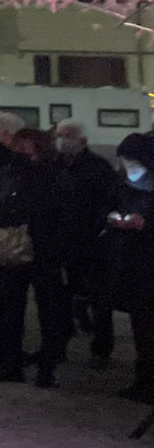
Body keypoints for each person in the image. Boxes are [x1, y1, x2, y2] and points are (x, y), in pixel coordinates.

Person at [0, 125, 73, 387]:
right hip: (15, 246)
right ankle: (11, 364)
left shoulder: (53, 173)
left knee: (48, 312)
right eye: (17, 145)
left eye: (26, 145)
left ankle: (46, 367)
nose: (20, 150)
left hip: (44, 250)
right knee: (11, 308)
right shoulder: (9, 171)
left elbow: (61, 211)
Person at [98, 135, 154, 405]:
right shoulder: (126, 186)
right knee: (142, 328)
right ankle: (143, 379)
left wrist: (145, 225)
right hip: (132, 265)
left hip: (146, 263)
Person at [57, 121, 118, 365]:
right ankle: (59, 344)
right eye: (59, 135)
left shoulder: (97, 168)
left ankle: (101, 348)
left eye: (67, 136)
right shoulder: (58, 165)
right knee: (63, 296)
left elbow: (108, 201)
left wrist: (96, 228)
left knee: (99, 299)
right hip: (64, 241)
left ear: (81, 140)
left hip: (90, 243)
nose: (62, 140)